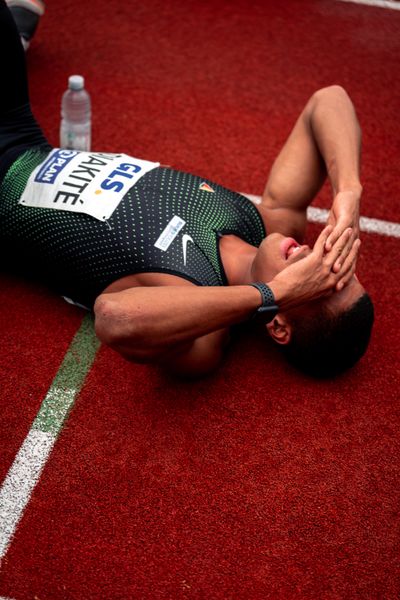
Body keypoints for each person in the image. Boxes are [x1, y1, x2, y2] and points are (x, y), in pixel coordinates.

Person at [0, 0, 373, 379]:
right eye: (339, 263)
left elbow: (115, 318)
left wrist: (272, 296)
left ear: (279, 326)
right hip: (22, 135)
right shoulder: (269, 223)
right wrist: (348, 192)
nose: (319, 256)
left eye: (321, 282)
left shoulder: (205, 338)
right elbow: (329, 100)